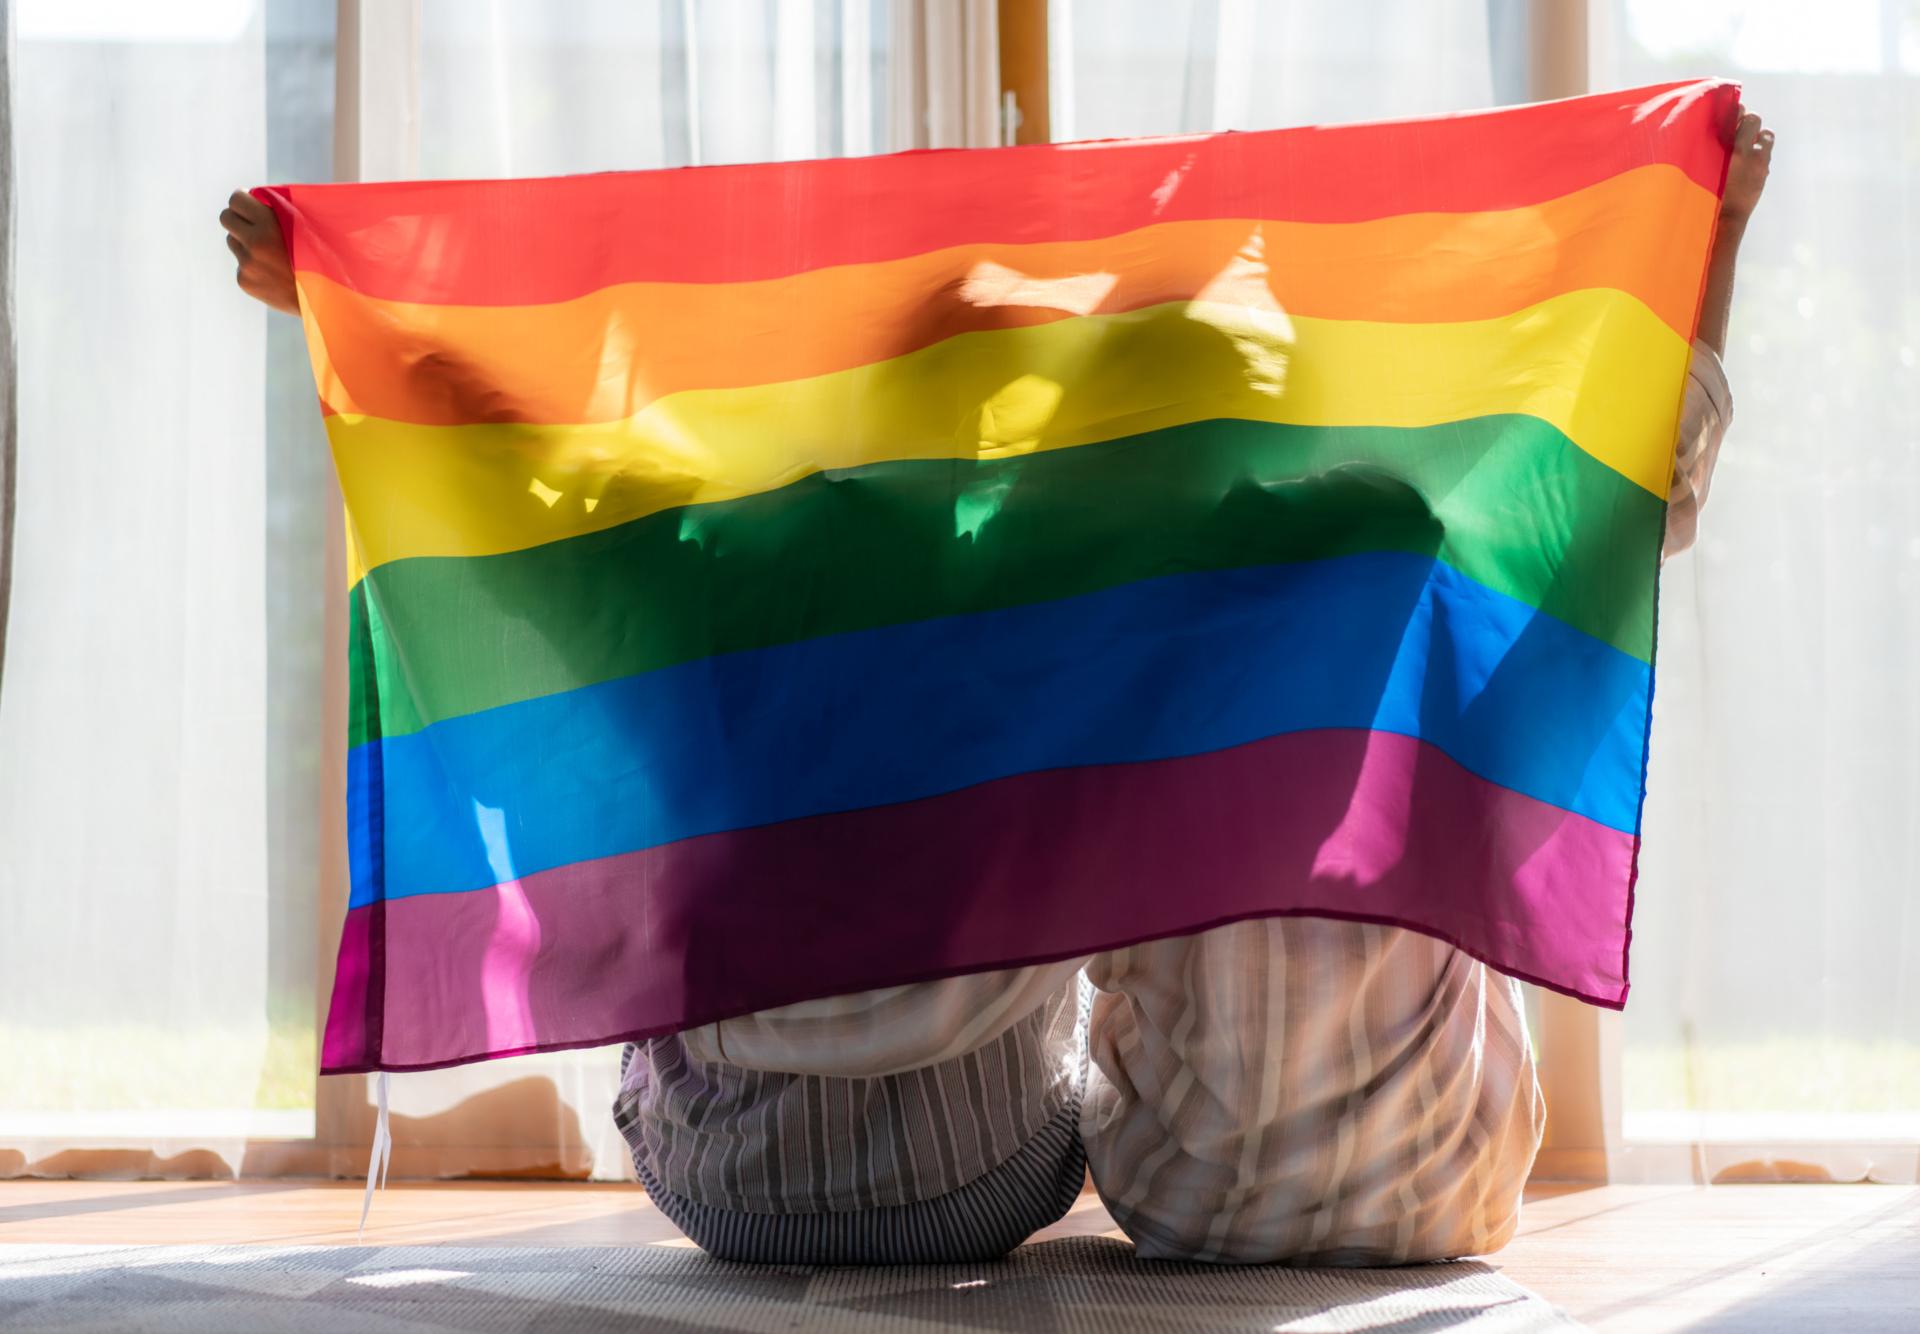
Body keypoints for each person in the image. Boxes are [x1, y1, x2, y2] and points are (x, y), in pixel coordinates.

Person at [225, 108, 1773, 1266]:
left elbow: (532, 495)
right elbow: (1627, 501)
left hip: (767, 1194)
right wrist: (1701, 270)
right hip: (1306, 1187)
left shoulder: (740, 556)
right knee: (1319, 803)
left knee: (748, 851)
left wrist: (351, 311)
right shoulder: (1328, 548)